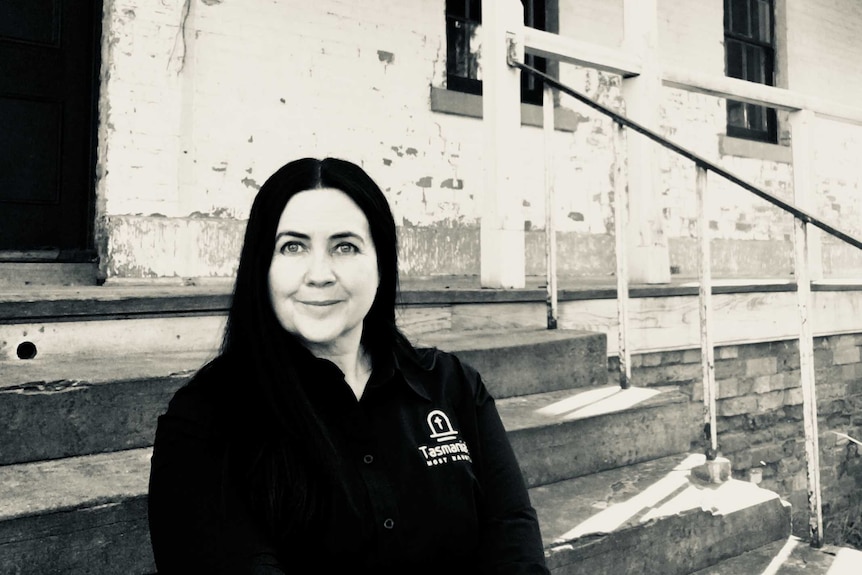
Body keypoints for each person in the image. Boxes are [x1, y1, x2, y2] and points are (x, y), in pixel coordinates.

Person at [148, 157, 549, 574]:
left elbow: (514, 544)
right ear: (261, 267)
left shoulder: (454, 387)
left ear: (381, 265)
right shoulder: (205, 418)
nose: (319, 274)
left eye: (345, 246)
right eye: (292, 246)